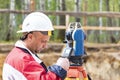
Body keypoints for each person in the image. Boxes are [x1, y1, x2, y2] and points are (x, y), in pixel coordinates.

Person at [2, 12, 69, 80]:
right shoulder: (22, 59)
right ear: (30, 37)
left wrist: (53, 69)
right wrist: (59, 69)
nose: (45, 46)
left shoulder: (22, 54)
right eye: (43, 41)